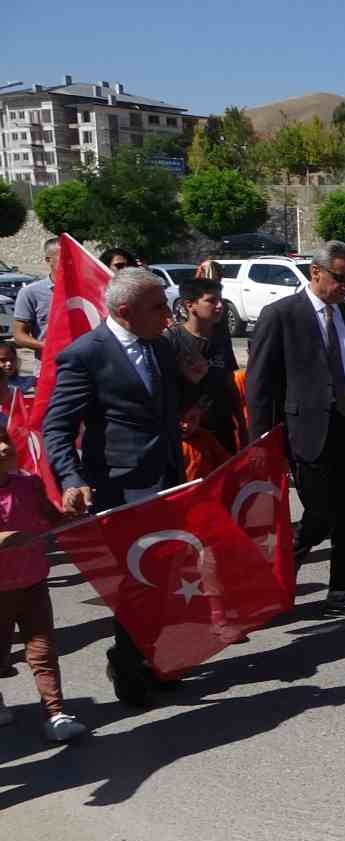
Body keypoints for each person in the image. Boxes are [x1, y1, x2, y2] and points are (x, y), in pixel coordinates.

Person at [42, 268, 206, 704]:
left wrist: (187, 410)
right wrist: (72, 478)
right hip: (121, 488)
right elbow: (57, 427)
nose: (167, 316)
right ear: (124, 311)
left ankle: (155, 658)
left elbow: (161, 401)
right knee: (134, 582)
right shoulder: (86, 355)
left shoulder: (161, 344)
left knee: (166, 577)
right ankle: (129, 667)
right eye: (157, 308)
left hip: (168, 478)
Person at [246, 240, 345, 622]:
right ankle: (274, 583)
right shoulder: (281, 316)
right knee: (320, 513)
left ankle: (340, 592)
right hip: (306, 433)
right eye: (339, 278)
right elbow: (260, 386)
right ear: (316, 272)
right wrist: (260, 445)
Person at [0, 429, 88, 742]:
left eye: (5, 440)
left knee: (43, 649)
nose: (2, 448)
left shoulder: (29, 484)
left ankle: (56, 713)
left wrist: (73, 509)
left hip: (33, 581)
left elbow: (53, 519)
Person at [164, 278, 244, 453]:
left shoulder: (221, 337)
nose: (219, 306)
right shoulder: (172, 340)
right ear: (190, 305)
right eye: (211, 300)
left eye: (220, 300)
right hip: (191, 436)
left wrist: (242, 426)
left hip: (223, 428)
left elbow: (229, 382)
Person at [11, 237, 59, 370]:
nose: (69, 261)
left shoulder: (85, 290)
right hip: (48, 367)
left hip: (86, 369)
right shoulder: (30, 292)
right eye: (64, 257)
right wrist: (47, 346)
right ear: (48, 260)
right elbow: (19, 335)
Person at [178, 399, 229, 481]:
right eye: (181, 419)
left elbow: (225, 462)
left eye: (192, 419)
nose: (186, 425)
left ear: (200, 417)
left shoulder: (206, 437)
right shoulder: (171, 443)